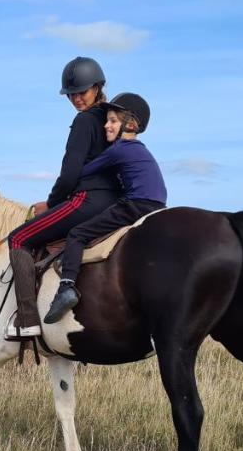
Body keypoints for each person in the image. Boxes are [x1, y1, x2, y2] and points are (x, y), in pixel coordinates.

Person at [5, 57, 122, 339]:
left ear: (97, 87)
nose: (76, 99)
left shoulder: (84, 121)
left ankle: (27, 319)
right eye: (71, 94)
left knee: (18, 239)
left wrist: (52, 202)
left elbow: (69, 176)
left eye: (82, 92)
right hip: (116, 201)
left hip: (86, 200)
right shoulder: (113, 119)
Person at [44, 93, 166, 323]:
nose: (106, 126)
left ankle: (66, 287)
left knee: (78, 233)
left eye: (112, 121)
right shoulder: (139, 149)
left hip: (135, 205)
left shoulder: (119, 150)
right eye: (106, 120)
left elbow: (83, 171)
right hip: (156, 204)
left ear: (129, 125)